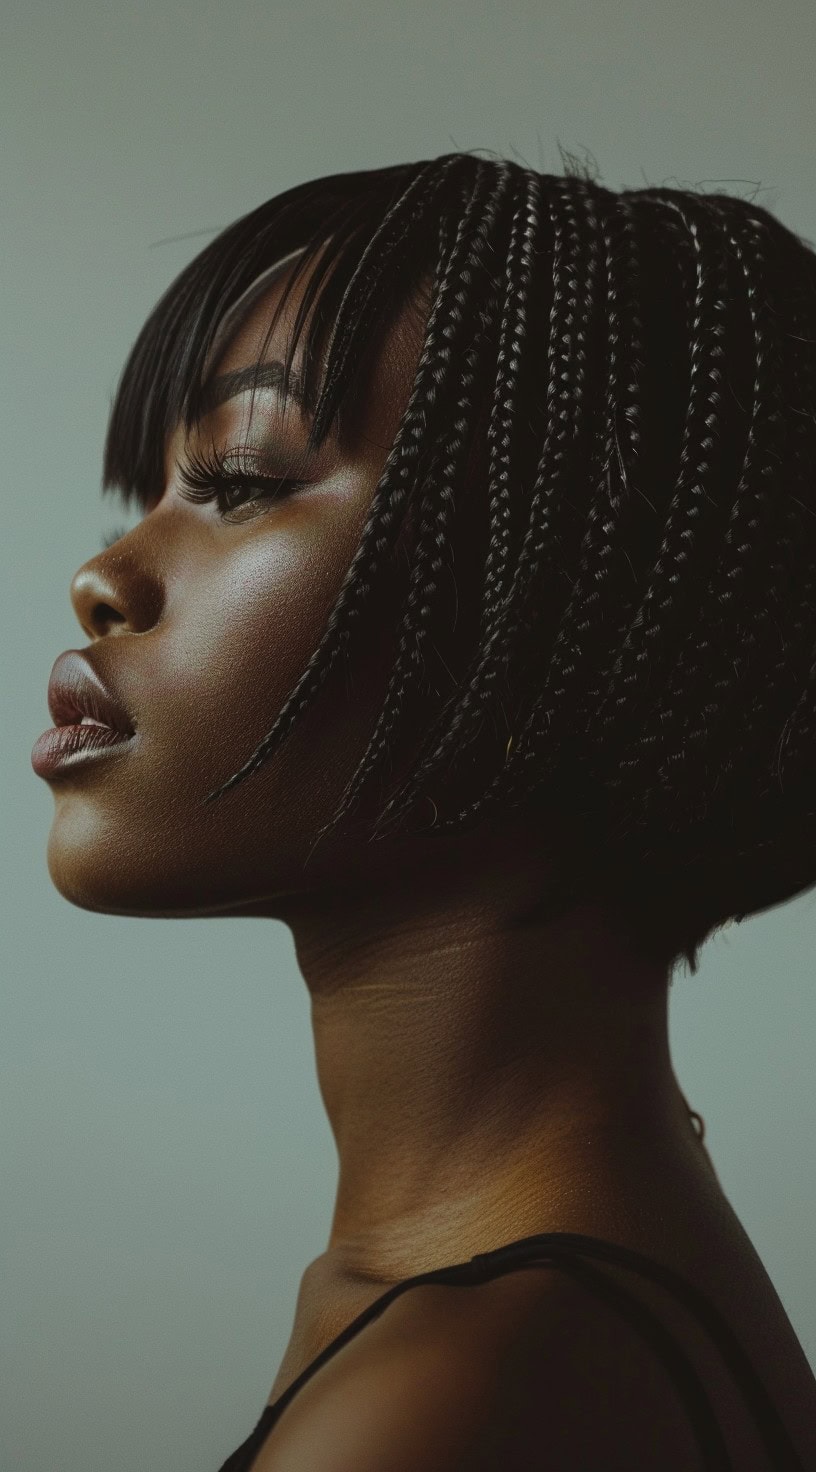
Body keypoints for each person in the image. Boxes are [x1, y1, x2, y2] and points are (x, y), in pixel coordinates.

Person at [33, 151, 816, 1468]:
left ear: (562, 622)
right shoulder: (550, 1297)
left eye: (239, 481)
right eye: (155, 492)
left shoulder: (462, 1398)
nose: (101, 579)